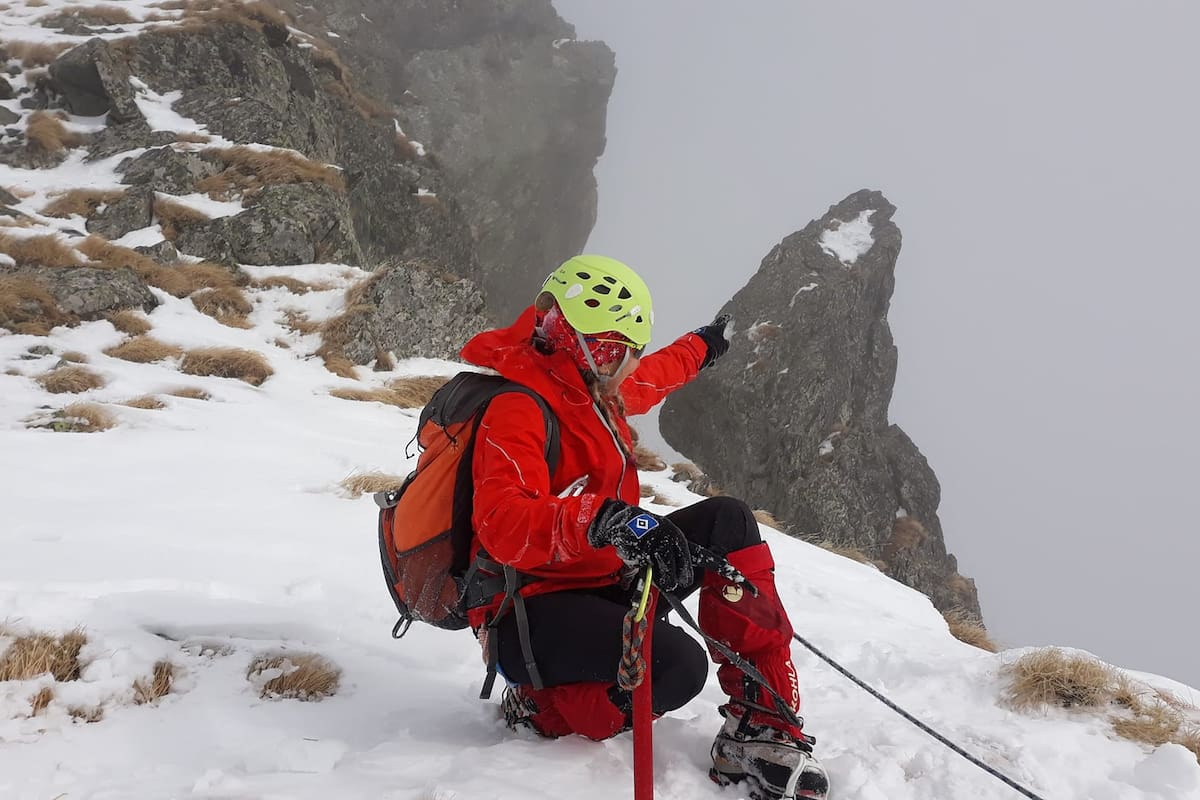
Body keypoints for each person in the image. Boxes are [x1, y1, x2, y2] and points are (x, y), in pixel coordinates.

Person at [459, 255, 829, 800]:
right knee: (674, 667)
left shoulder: (590, 388)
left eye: (625, 355)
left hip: (601, 577)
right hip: (531, 608)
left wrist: (704, 345)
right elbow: (503, 524)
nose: (625, 366)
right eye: (616, 351)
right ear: (583, 341)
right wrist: (606, 518)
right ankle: (543, 707)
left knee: (725, 520)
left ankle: (762, 725)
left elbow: (654, 377)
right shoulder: (517, 406)